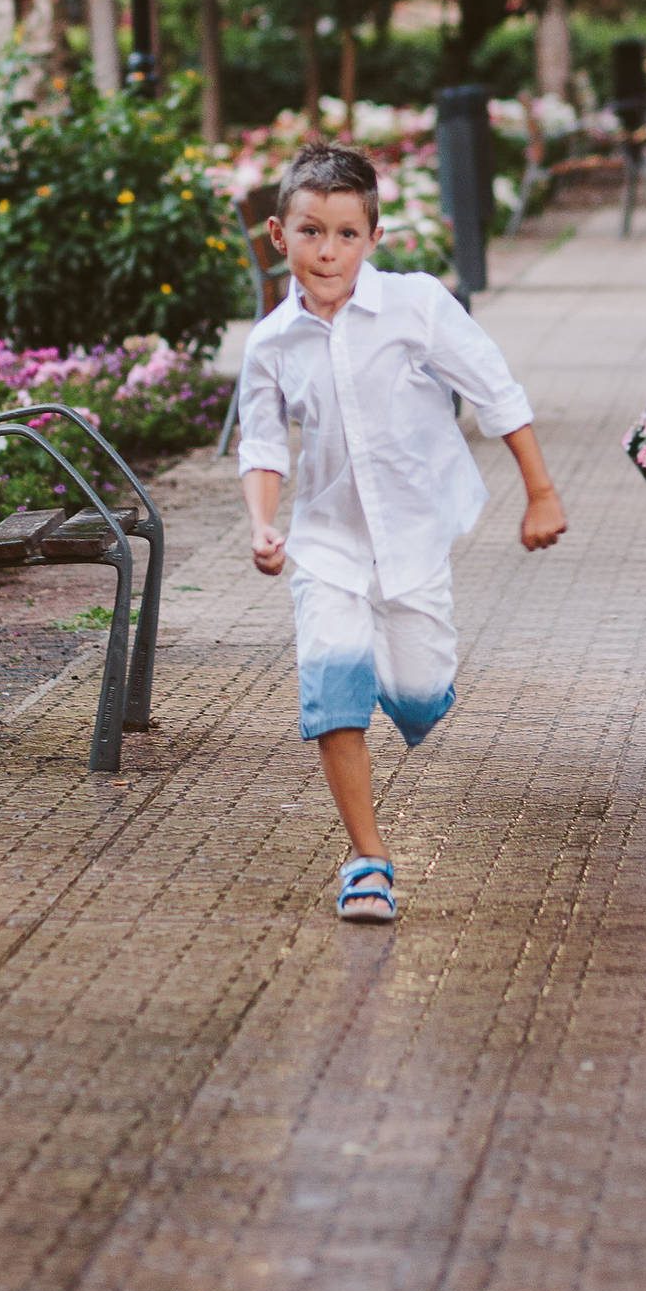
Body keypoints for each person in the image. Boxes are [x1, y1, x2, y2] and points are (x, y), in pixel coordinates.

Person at [238, 140, 567, 923]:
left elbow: (497, 392)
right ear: (280, 236)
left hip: (415, 539)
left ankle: (412, 686)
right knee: (333, 689)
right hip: (326, 544)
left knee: (418, 695)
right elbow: (260, 443)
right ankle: (368, 859)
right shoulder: (270, 345)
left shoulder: (416, 305)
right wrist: (261, 523)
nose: (329, 251)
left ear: (374, 237)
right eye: (312, 231)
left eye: (347, 234)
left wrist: (542, 494)